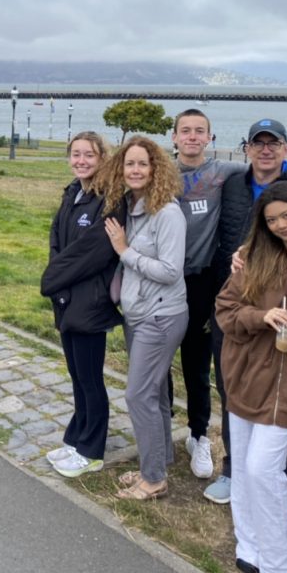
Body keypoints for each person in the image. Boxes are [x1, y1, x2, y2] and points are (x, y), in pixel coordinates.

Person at [205, 118, 287, 504]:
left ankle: (274, 474)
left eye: (274, 143)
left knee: (277, 390)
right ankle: (234, 469)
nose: (266, 150)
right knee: (231, 386)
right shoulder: (233, 182)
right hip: (236, 298)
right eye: (259, 143)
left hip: (282, 306)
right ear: (247, 148)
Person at [214, 182, 287, 573]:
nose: (280, 225)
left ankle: (282, 562)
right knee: (242, 467)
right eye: (271, 219)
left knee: (263, 470)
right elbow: (226, 310)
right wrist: (261, 317)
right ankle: (250, 546)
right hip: (244, 374)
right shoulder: (254, 258)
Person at [99, 136, 188, 500]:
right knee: (154, 395)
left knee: (138, 396)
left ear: (156, 170)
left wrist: (125, 250)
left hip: (160, 315)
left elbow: (169, 270)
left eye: (142, 164)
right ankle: (159, 458)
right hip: (138, 314)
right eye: (129, 164)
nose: (135, 170)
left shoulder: (167, 213)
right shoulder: (133, 206)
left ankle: (154, 480)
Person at [169, 109, 250, 480]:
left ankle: (199, 435)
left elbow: (271, 171)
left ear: (210, 138)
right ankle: (158, 425)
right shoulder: (160, 172)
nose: (192, 136)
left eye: (199, 131)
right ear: (174, 137)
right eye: (185, 130)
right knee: (157, 361)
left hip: (201, 282)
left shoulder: (223, 172)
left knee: (197, 364)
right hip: (162, 280)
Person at [40, 132, 123, 476]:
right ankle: (76, 438)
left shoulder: (109, 199)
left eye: (89, 155)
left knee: (90, 378)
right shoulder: (72, 192)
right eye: (76, 155)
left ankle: (92, 450)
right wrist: (57, 284)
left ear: (102, 157)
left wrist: (51, 279)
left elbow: (92, 253)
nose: (81, 161)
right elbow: (57, 240)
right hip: (66, 298)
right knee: (76, 375)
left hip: (90, 301)